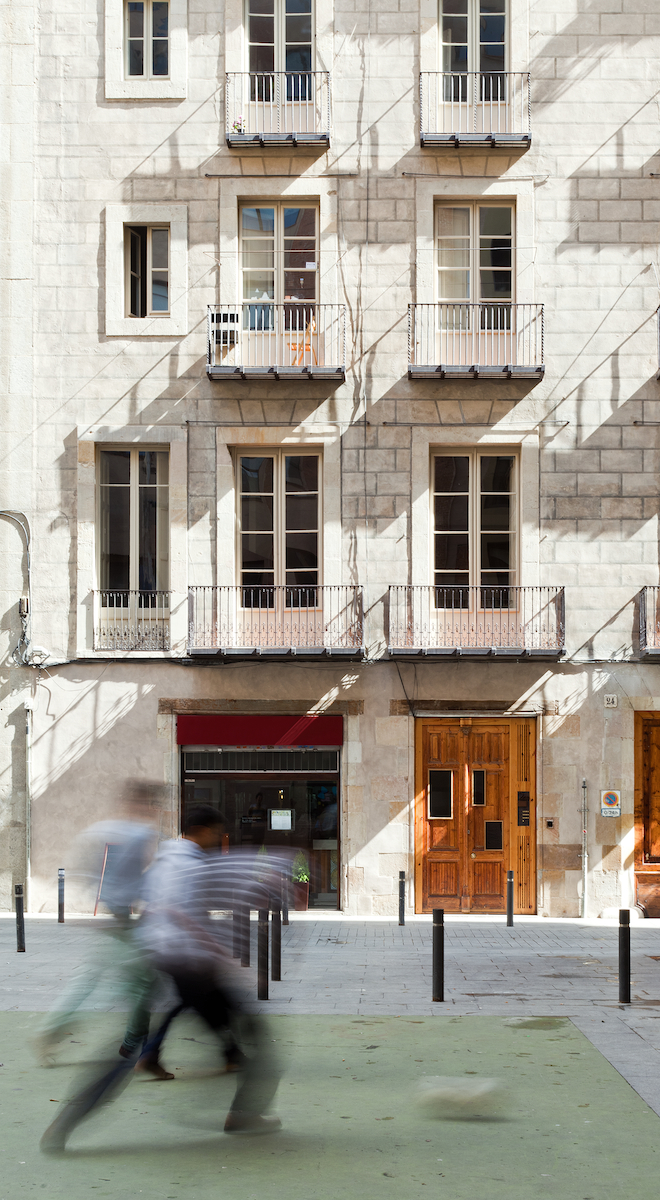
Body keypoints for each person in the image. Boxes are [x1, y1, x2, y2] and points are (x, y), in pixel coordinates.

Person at [34, 780, 163, 1071]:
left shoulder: (104, 829)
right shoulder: (141, 832)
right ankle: (134, 1045)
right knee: (139, 982)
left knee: (119, 980)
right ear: (144, 804)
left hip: (118, 915)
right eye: (154, 804)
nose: (156, 810)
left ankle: (131, 1044)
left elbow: (85, 869)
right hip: (124, 918)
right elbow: (138, 880)